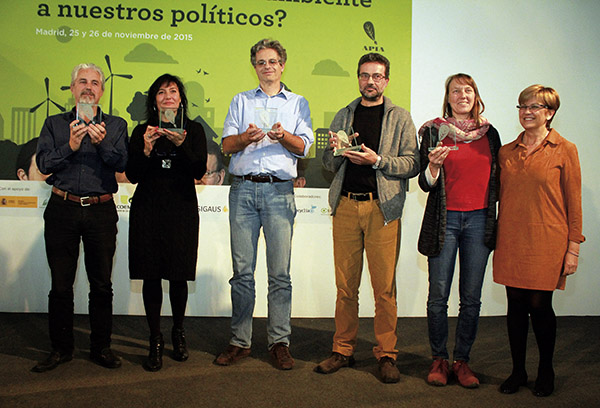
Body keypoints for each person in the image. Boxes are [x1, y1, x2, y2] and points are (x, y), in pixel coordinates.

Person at [317, 53, 419, 383]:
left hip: (382, 209)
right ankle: (342, 350)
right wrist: (333, 151)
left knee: (384, 289)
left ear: (386, 80)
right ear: (358, 78)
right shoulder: (344, 115)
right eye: (364, 75)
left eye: (377, 76)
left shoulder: (400, 117)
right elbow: (329, 166)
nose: (370, 81)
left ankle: (386, 354)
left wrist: (377, 161)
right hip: (345, 206)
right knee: (345, 287)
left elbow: (412, 165)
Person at [214, 38, 314, 370]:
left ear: (282, 65)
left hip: (278, 192)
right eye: (260, 62)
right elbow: (227, 145)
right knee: (242, 273)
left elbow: (304, 148)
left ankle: (279, 342)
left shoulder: (298, 103)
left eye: (272, 61)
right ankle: (240, 341)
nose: (267, 66)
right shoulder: (240, 101)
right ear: (254, 66)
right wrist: (247, 137)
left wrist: (282, 136)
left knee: (280, 275)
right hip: (242, 191)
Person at [32, 63, 128, 372]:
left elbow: (121, 163)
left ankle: (101, 348)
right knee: (61, 285)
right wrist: (71, 145)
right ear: (72, 89)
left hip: (100, 211)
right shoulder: (54, 124)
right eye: (82, 82)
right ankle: (60, 349)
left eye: (95, 83)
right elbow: (45, 164)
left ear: (102, 90)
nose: (88, 87)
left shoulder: (115, 125)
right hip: (62, 209)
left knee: (101, 284)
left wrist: (101, 143)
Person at [493, 85, 584, 397]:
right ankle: (518, 370)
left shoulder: (565, 149)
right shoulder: (506, 151)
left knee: (540, 305)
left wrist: (573, 249)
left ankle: (546, 369)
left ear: (550, 112)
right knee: (515, 305)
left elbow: (574, 203)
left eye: (535, 106)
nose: (527, 112)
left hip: (548, 240)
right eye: (522, 106)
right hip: (511, 239)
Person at [417, 74, 501, 388]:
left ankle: (462, 361)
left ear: (475, 95)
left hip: (480, 221)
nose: (462, 95)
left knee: (471, 298)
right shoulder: (433, 131)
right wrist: (434, 166)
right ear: (448, 97)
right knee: (438, 296)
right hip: (445, 221)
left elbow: (499, 181)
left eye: (468, 90)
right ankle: (439, 359)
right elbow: (424, 183)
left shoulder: (490, 134)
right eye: (456, 90)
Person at [126, 74, 207, 371]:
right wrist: (146, 150)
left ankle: (178, 332)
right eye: (161, 92)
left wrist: (182, 144)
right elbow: (132, 174)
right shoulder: (140, 131)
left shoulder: (194, 130)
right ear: (154, 101)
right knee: (150, 275)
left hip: (181, 209)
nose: (168, 96)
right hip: (148, 209)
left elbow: (199, 170)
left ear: (181, 99)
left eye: (173, 91)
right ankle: (155, 338)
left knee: (178, 274)